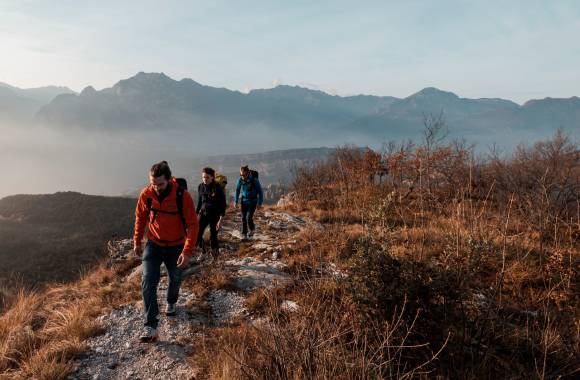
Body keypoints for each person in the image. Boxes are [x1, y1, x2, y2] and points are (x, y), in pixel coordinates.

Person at [133, 161, 199, 342]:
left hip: (177, 246)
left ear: (169, 180)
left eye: (160, 184)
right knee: (148, 281)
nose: (156, 187)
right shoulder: (146, 194)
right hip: (154, 244)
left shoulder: (182, 196)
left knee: (175, 278)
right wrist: (137, 240)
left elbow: (193, 225)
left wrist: (187, 251)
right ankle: (150, 326)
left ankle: (171, 301)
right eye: (153, 183)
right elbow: (140, 217)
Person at [196, 167, 226, 257]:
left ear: (212, 177)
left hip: (215, 215)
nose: (205, 179)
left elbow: (223, 204)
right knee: (197, 234)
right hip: (203, 214)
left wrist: (221, 219)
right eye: (203, 177)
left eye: (207, 177)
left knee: (213, 236)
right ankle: (203, 251)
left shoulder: (217, 188)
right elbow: (199, 202)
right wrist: (196, 214)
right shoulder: (200, 186)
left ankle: (215, 256)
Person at [234, 165, 263, 241]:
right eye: (241, 175)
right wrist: (236, 201)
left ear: (248, 173)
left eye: (244, 175)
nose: (242, 176)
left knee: (248, 217)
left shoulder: (254, 180)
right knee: (243, 217)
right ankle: (244, 234)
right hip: (243, 201)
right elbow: (237, 190)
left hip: (253, 201)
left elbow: (260, 192)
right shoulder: (240, 180)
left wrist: (259, 203)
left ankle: (252, 229)